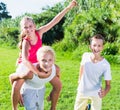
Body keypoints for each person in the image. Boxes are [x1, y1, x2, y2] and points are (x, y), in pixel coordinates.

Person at [9, 1, 77, 110]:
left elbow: (54, 21)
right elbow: (26, 60)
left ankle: (52, 104)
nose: (29, 29)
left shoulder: (39, 32)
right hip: (26, 64)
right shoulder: (26, 41)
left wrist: (68, 8)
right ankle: (14, 107)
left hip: (39, 61)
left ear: (34, 26)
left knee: (57, 71)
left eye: (30, 26)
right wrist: (37, 72)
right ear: (23, 29)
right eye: (25, 27)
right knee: (17, 85)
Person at [74, 34, 112, 110]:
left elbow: (108, 85)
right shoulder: (85, 56)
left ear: (102, 47)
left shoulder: (106, 65)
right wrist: (79, 80)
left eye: (99, 45)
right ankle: (86, 107)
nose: (96, 48)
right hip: (82, 91)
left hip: (96, 93)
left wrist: (105, 92)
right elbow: (82, 67)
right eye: (94, 45)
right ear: (90, 46)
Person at [20, 46, 59, 110]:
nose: (47, 63)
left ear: (54, 60)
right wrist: (18, 93)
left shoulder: (55, 69)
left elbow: (58, 85)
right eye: (44, 60)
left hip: (41, 89)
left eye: (50, 60)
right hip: (28, 90)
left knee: (40, 108)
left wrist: (52, 92)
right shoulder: (30, 73)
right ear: (38, 60)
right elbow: (12, 78)